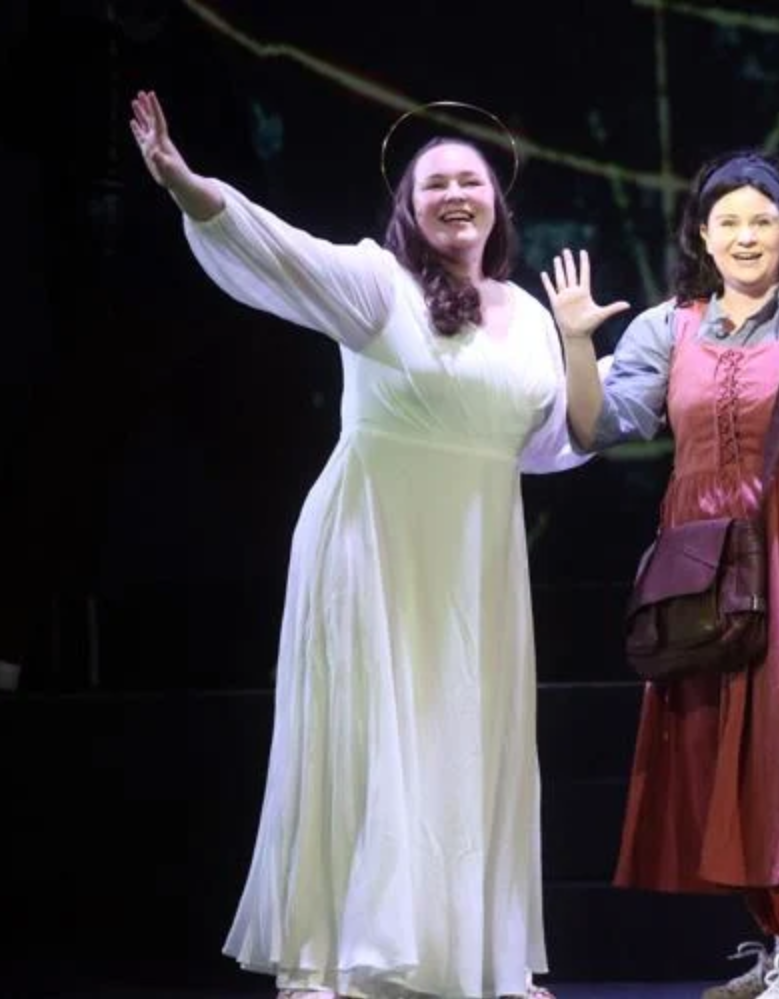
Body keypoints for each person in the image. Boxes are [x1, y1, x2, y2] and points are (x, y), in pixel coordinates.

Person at [129, 89, 587, 999]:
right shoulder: (381, 283)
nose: (455, 194)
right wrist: (187, 185)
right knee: (367, 735)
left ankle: (478, 959)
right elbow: (277, 250)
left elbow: (551, 444)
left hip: (478, 558)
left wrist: (577, 344)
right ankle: (337, 955)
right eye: (434, 184)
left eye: (471, 180)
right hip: (373, 541)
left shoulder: (530, 315)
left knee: (472, 740)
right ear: (408, 205)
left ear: (498, 199)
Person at [539, 150, 779, 999]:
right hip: (705, 555)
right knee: (726, 752)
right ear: (702, 235)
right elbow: (601, 426)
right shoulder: (667, 326)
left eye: (762, 220)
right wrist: (572, 342)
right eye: (728, 221)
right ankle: (778, 946)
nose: (745, 235)